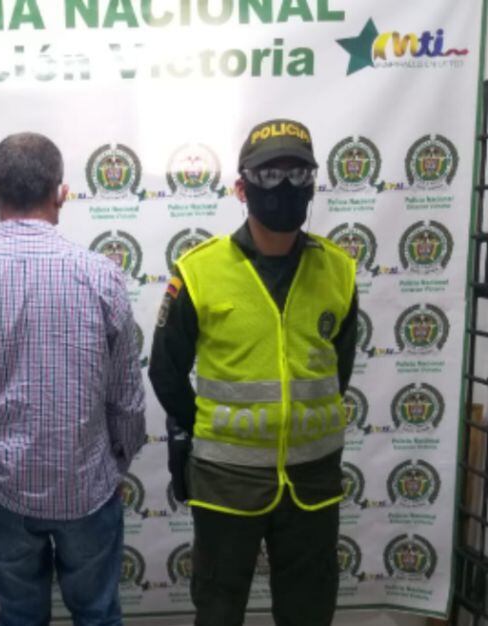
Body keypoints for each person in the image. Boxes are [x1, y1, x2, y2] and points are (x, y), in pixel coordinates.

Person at [0, 132, 147, 626]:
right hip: (87, 485)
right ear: (61, 194)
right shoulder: (101, 276)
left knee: (20, 617)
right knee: (97, 615)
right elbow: (127, 399)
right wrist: (114, 465)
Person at [148, 119, 359, 626]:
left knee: (309, 612)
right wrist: (208, 428)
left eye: (298, 173)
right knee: (219, 611)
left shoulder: (338, 269)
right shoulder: (199, 270)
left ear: (312, 183)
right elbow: (165, 372)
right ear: (242, 188)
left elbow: (340, 369)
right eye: (269, 175)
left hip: (312, 482)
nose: (285, 186)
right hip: (226, 483)